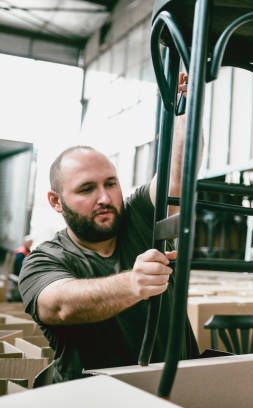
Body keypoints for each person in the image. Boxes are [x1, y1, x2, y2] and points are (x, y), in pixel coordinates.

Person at [18, 73, 199, 383]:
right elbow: (59, 305)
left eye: (111, 184)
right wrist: (133, 284)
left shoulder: (138, 215)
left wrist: (185, 113)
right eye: (87, 189)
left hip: (178, 391)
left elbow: (177, 179)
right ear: (56, 201)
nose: (104, 198)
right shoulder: (44, 260)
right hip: (92, 400)